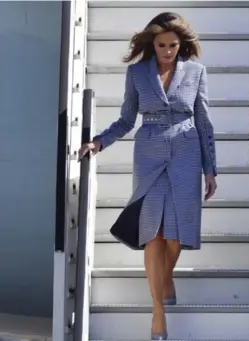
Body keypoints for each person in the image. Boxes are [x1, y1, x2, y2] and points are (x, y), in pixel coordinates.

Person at [78, 12, 217, 340]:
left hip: (186, 150)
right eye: (161, 45)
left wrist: (211, 168)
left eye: (173, 45)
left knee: (175, 235)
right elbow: (127, 119)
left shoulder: (196, 72)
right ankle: (158, 311)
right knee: (152, 232)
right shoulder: (137, 73)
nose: (168, 51)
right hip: (149, 151)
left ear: (181, 45)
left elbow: (205, 120)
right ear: (152, 45)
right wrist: (99, 141)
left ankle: (165, 277)